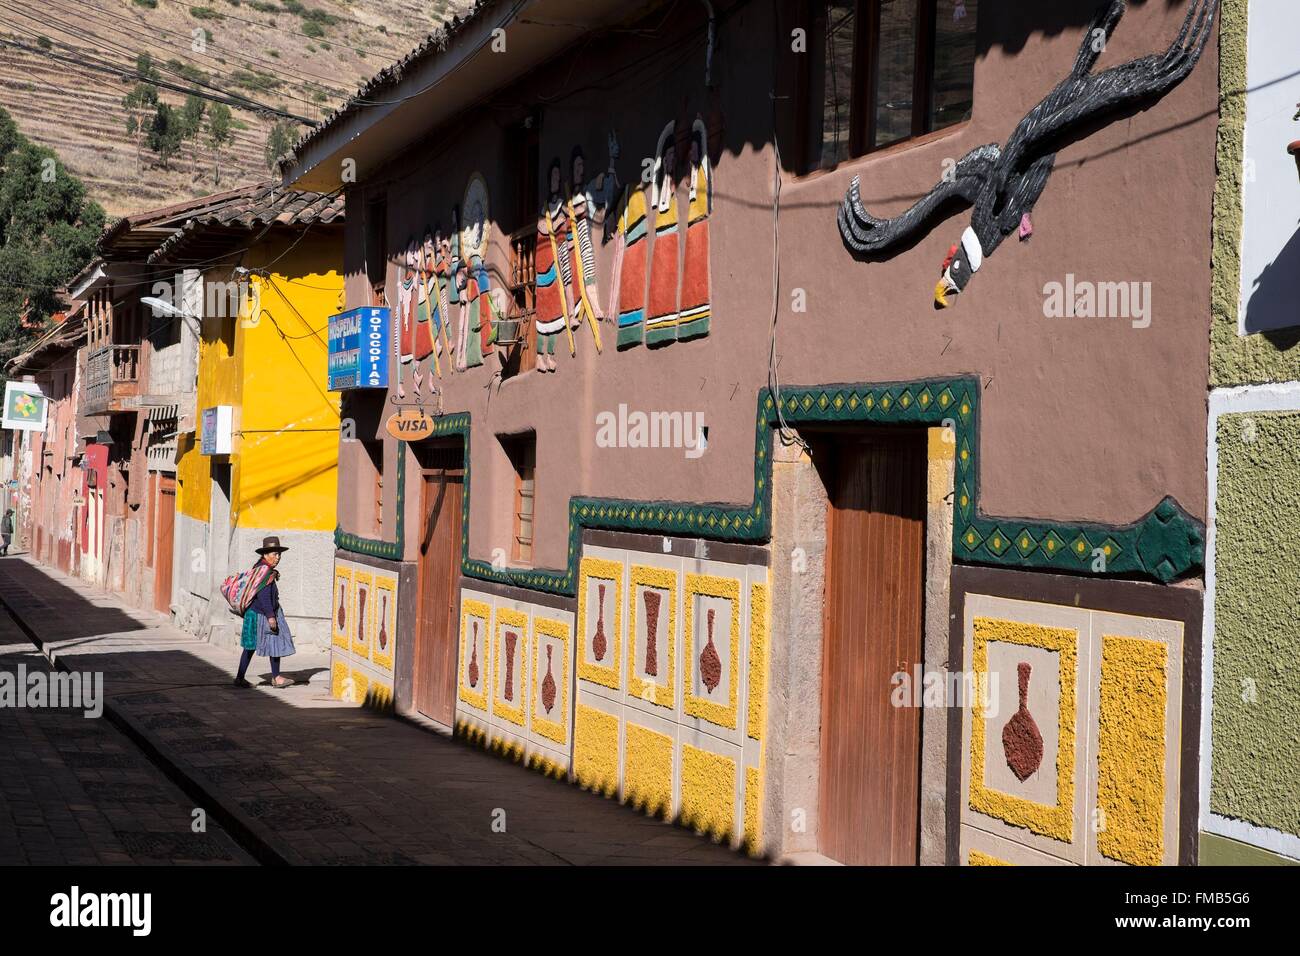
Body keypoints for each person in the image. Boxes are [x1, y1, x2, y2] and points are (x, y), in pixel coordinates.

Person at [233, 536, 297, 688]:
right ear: (265, 555)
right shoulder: (264, 572)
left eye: (279, 554)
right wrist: (271, 617)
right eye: (275, 554)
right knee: (273, 642)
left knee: (250, 646)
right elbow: (264, 596)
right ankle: (276, 678)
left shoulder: (261, 568)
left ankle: (240, 678)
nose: (278, 557)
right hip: (260, 615)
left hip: (254, 613)